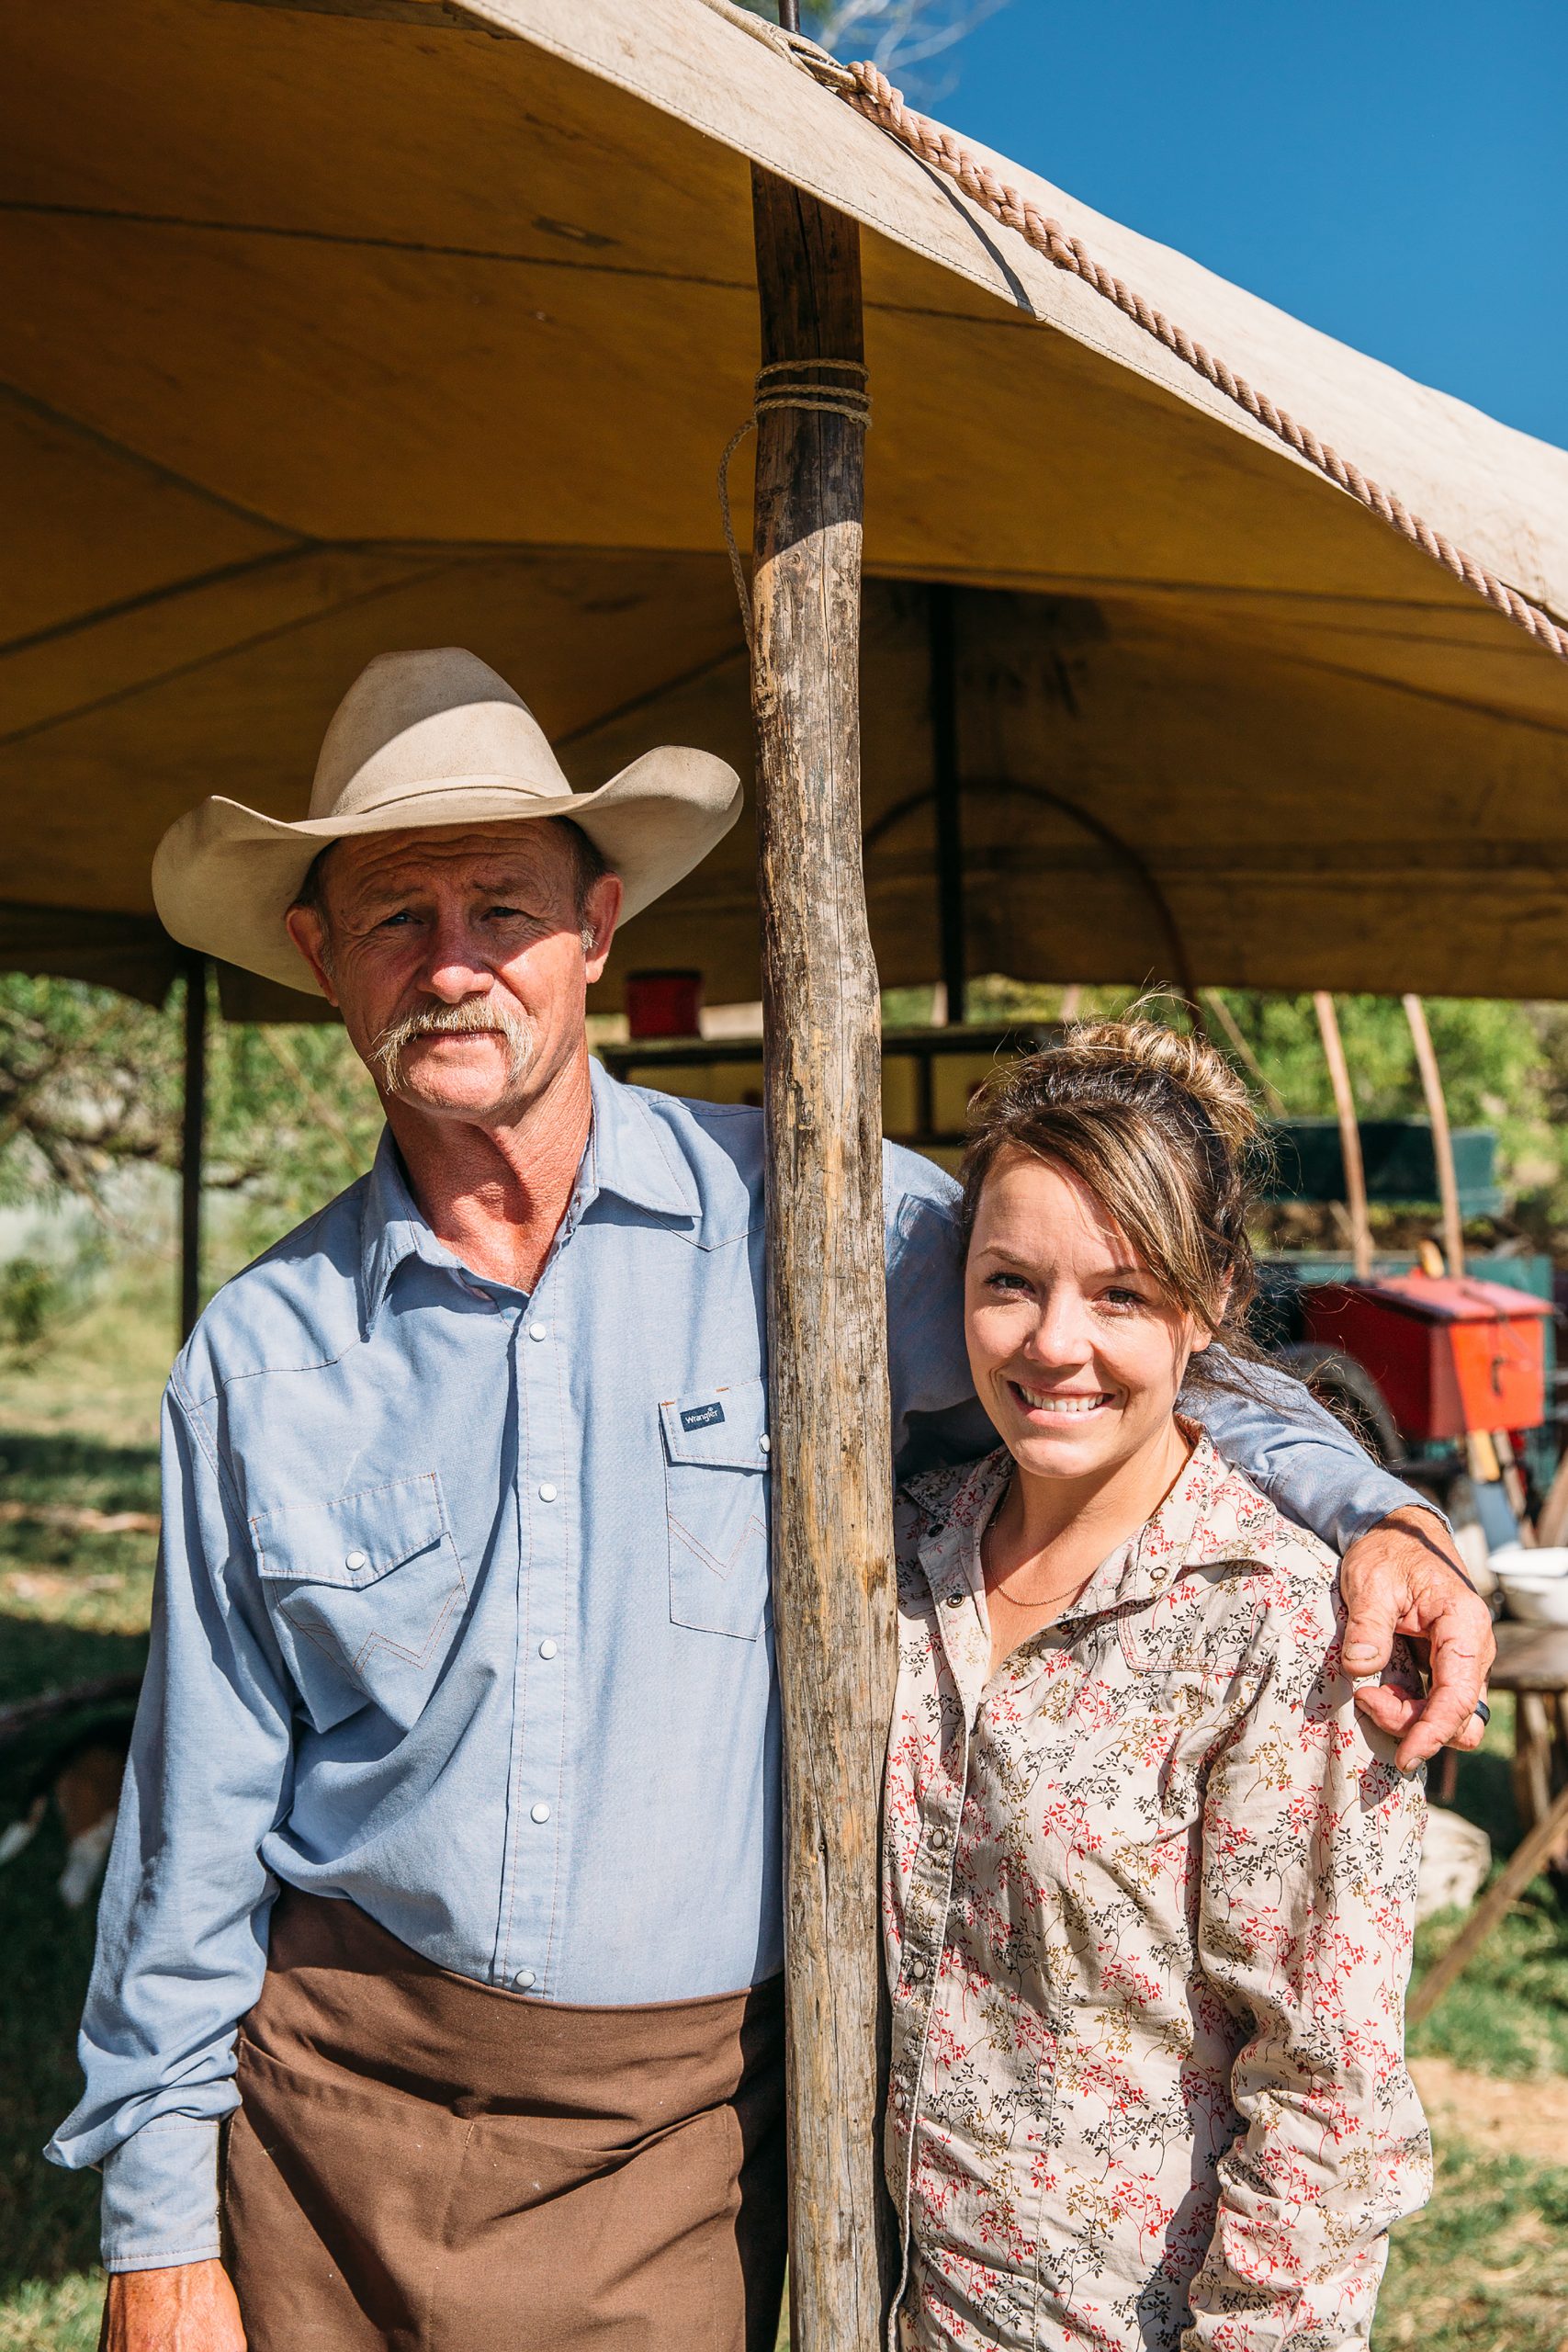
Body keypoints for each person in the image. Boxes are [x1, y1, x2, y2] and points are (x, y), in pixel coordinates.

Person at [46, 649, 1487, 2352]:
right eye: (392, 918)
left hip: (673, 2146)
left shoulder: (813, 1216)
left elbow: (1119, 1323)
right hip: (324, 2117)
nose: (452, 966)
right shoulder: (262, 1356)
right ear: (318, 960)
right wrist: (158, 2235)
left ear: (594, 927)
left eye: (499, 909)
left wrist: (1371, 1510)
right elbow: (188, 1824)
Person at [884, 1021, 1433, 2352]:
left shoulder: (1277, 1628)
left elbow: (1326, 2096)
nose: (1055, 1343)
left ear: (1209, 1304)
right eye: (1010, 1283)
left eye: (1121, 1294)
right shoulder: (901, 1561)